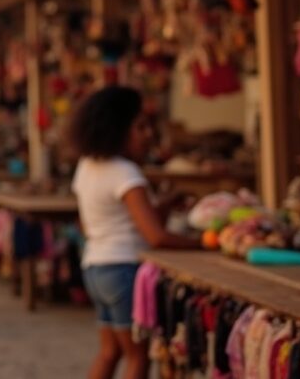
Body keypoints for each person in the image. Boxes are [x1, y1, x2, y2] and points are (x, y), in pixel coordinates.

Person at [68, 86, 201, 379]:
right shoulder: (126, 173)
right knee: (137, 359)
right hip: (124, 270)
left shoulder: (87, 166)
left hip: (96, 268)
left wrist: (164, 204)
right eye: (140, 126)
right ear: (117, 129)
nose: (148, 134)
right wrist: (202, 244)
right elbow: (157, 237)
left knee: (109, 352)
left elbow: (100, 223)